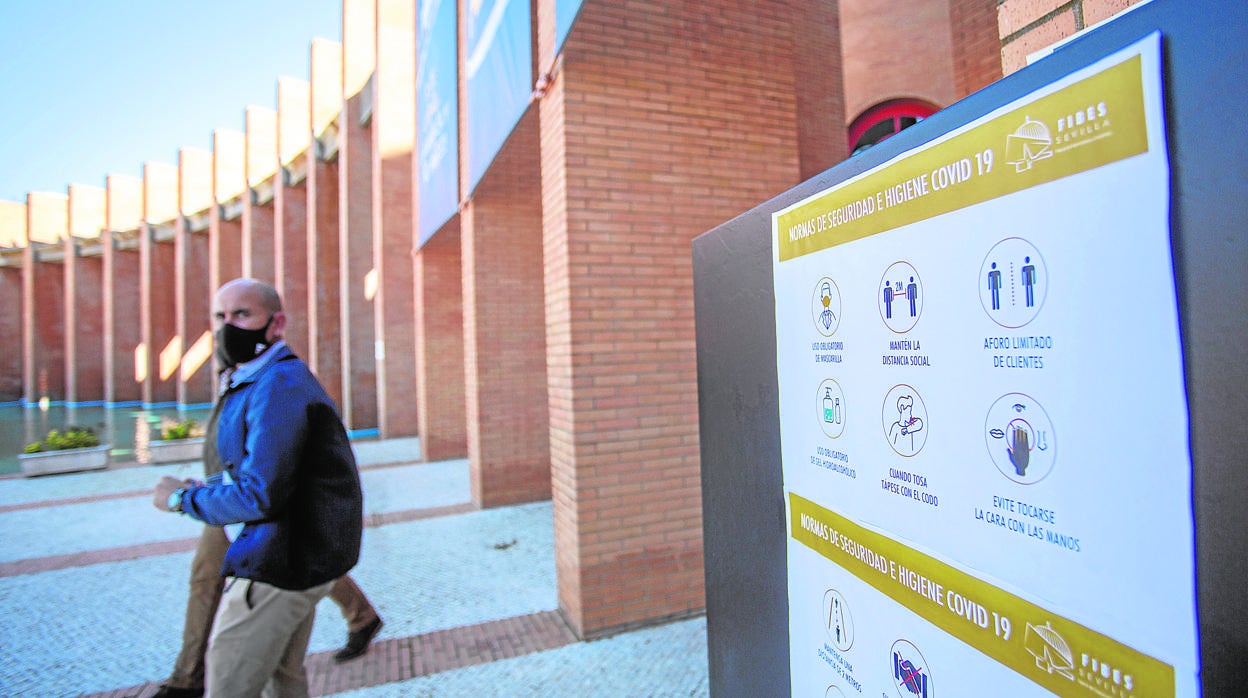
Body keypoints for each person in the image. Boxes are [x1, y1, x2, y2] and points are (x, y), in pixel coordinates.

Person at [152, 278, 368, 697]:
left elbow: (261, 494)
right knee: (281, 680)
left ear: (276, 323)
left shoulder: (278, 384)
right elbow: (263, 469)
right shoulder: (252, 378)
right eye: (220, 316)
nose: (228, 326)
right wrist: (211, 489)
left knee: (230, 680)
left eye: (242, 314)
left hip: (279, 560)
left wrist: (181, 499)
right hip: (285, 553)